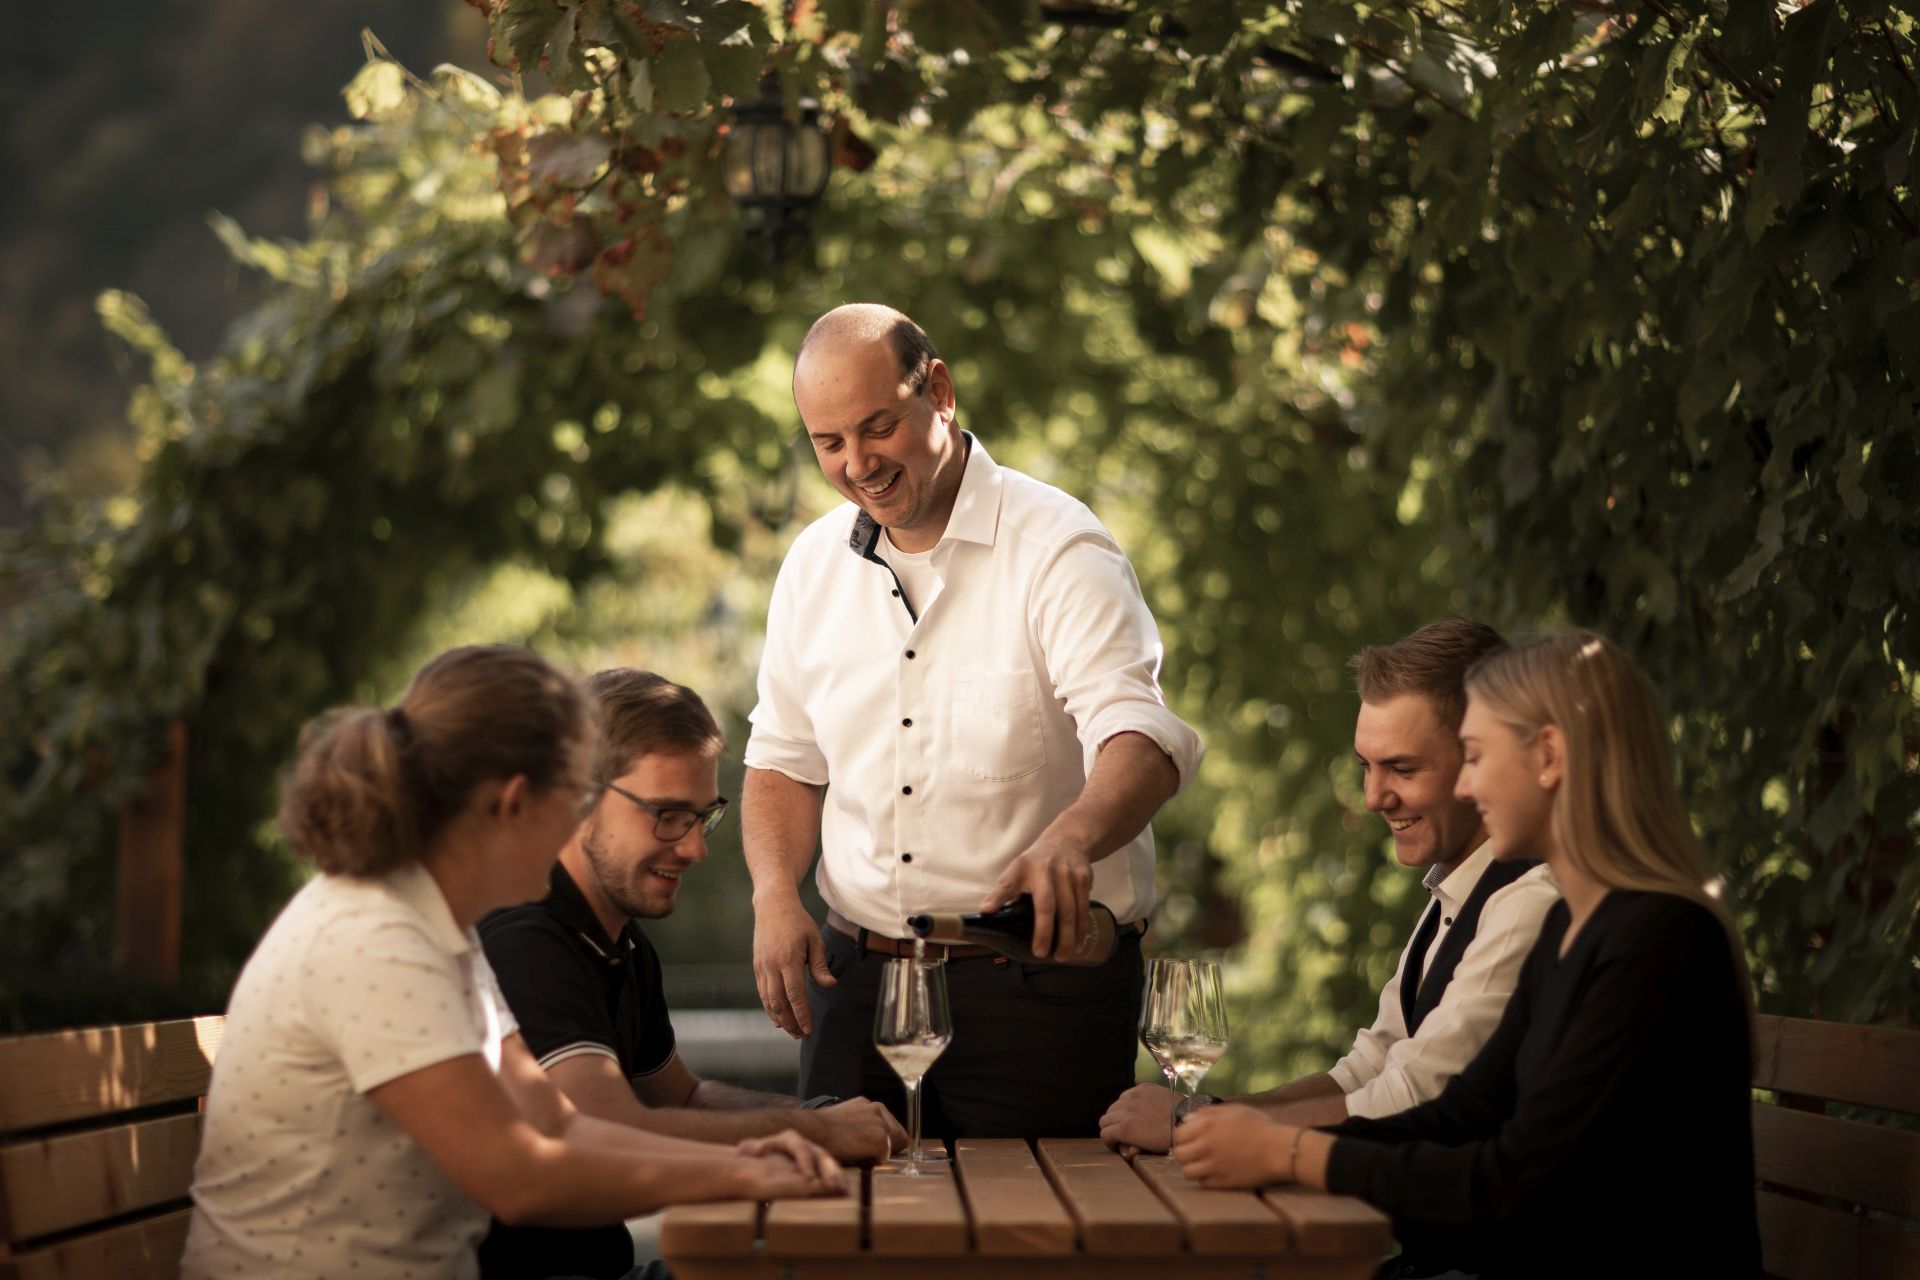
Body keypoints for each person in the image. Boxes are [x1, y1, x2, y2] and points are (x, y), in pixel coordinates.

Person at [183, 646, 843, 1280]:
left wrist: (760, 1150)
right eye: (571, 800)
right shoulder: (375, 937)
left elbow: (556, 1124)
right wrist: (742, 1171)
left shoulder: (440, 931)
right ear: (511, 801)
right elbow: (520, 1178)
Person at [743, 303, 1206, 1139]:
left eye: (877, 426)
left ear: (941, 393)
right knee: (843, 1248)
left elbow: (1140, 735)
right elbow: (781, 759)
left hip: (1040, 994)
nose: (858, 464)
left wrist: (1069, 839)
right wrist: (775, 892)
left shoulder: (1061, 547)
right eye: (829, 443)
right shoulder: (811, 565)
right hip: (857, 988)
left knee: (1034, 1248)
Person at [1171, 633, 1762, 1278]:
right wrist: (1255, 1138)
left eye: (1475, 757)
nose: (1468, 787)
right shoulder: (1579, 923)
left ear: (1549, 757)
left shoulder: (1661, 939)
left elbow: (1509, 1178)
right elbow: (1458, 1116)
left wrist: (1287, 1154)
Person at [477, 668, 905, 1279]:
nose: (694, 848)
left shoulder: (620, 940)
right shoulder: (525, 934)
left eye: (702, 816)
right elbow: (604, 1127)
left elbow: (679, 1097)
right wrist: (810, 1135)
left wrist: (816, 1118)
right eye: (667, 814)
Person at [1102, 619, 1559, 1154]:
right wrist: (1204, 1116)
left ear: (1481, 758)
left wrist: (1192, 1123)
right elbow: (1368, 1069)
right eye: (1366, 766)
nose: (1372, 797)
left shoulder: (1527, 899)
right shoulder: (1456, 891)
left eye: (1403, 769)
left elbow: (1414, 1097)